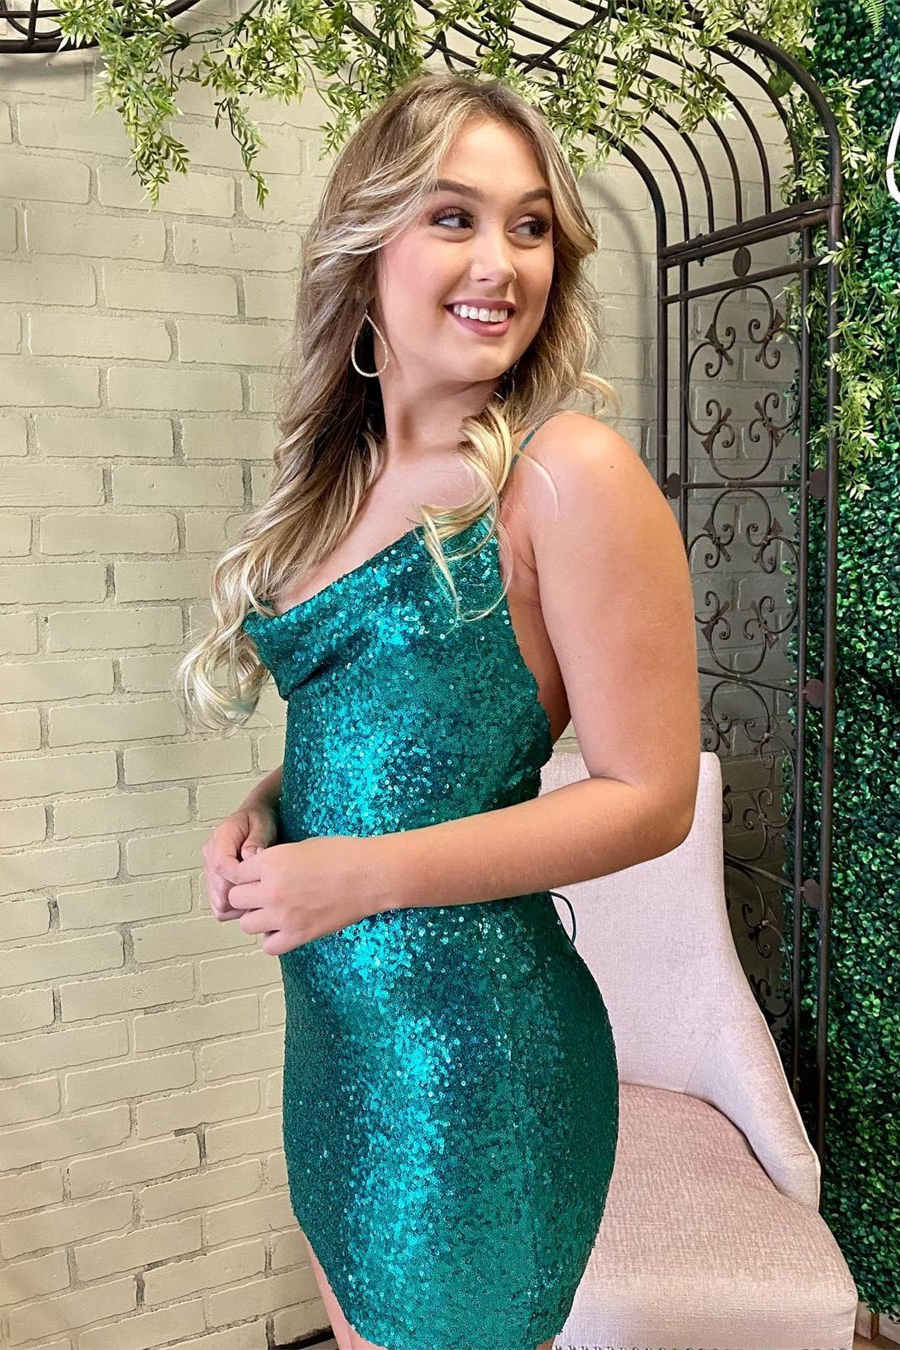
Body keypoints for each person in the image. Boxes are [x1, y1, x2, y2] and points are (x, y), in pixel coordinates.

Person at [178, 70, 699, 1350]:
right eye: (454, 217)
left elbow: (652, 797)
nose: (501, 263)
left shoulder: (565, 476)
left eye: (531, 227)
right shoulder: (342, 479)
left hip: (473, 1066)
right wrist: (272, 810)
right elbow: (388, 728)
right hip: (338, 1039)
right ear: (368, 248)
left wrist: (356, 876)